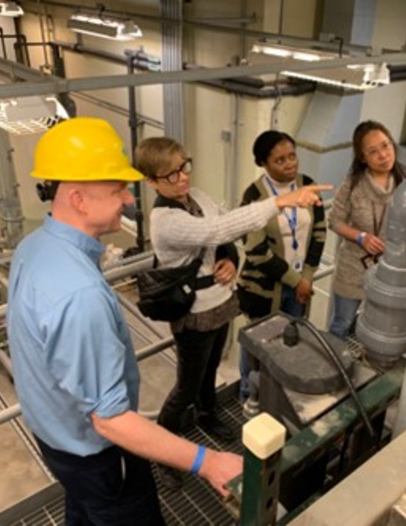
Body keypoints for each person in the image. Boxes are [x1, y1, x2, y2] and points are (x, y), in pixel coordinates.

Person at [7, 117, 244, 526]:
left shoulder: (33, 247)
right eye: (117, 188)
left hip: (56, 438)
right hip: (97, 455)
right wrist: (207, 462)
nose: (129, 199)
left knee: (84, 512)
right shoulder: (79, 294)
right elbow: (111, 420)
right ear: (78, 199)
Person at [135, 136, 330, 490]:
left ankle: (207, 416)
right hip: (193, 312)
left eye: (184, 167)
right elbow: (215, 229)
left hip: (220, 302)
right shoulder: (165, 220)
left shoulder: (197, 197)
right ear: (151, 182)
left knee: (210, 369)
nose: (182, 178)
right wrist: (280, 201)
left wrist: (229, 259)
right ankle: (165, 452)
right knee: (186, 387)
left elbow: (223, 238)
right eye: (171, 175)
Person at [237, 130, 327, 400]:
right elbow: (256, 251)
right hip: (264, 289)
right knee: (258, 344)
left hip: (301, 284)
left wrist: (307, 277)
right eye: (280, 160)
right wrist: (296, 281)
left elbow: (319, 233)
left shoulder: (307, 185)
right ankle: (248, 394)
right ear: (263, 163)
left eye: (292, 156)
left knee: (292, 338)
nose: (290, 164)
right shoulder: (254, 195)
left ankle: (281, 394)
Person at [328, 120, 406, 340]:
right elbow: (334, 221)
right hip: (353, 267)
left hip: (390, 267)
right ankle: (334, 358)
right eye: (373, 151)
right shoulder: (352, 184)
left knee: (378, 324)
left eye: (386, 145)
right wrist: (360, 237)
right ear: (363, 157)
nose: (383, 155)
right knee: (342, 323)